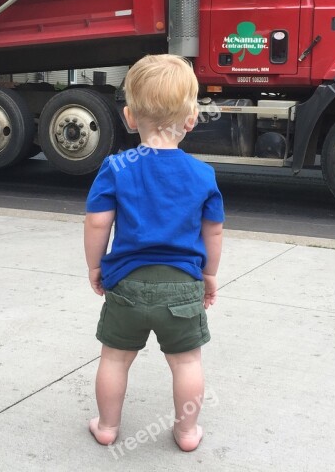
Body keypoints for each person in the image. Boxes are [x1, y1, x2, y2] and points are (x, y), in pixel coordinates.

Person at [84, 54, 224, 452]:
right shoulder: (202, 174)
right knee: (187, 363)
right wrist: (209, 275)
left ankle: (108, 426)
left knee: (114, 359)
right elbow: (212, 229)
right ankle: (186, 432)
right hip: (182, 287)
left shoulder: (117, 167)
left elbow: (97, 223)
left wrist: (96, 266)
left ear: (129, 118)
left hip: (126, 284)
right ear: (192, 119)